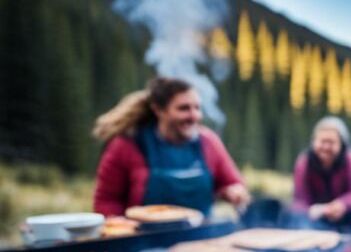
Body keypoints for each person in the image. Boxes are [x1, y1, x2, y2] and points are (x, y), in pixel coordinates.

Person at [92, 77, 250, 217]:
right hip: (143, 242)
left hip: (202, 237)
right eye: (184, 108)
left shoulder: (208, 141)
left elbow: (232, 182)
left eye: (197, 108)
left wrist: (233, 191)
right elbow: (107, 200)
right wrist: (120, 232)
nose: (194, 116)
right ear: (158, 110)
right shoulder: (127, 144)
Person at [292, 116, 351, 234]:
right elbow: (300, 199)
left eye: (332, 142)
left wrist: (341, 205)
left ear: (341, 144)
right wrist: (310, 211)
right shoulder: (304, 162)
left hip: (344, 217)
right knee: (293, 216)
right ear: (314, 142)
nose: (326, 147)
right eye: (322, 141)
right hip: (313, 219)